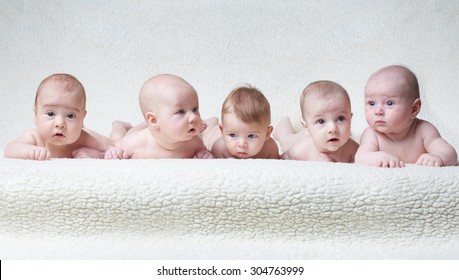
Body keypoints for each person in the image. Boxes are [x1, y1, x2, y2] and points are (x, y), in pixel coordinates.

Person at [355, 65, 457, 167]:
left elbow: (450, 153)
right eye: (372, 103)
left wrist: (438, 157)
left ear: (414, 109)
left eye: (389, 103)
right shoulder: (372, 134)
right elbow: (360, 157)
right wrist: (378, 157)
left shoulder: (423, 130)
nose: (378, 111)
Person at [4, 73, 111, 160]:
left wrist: (97, 155)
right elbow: (10, 149)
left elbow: (115, 149)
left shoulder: (85, 139)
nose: (60, 123)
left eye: (70, 115)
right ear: (35, 116)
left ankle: (118, 127)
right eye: (50, 114)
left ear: (82, 119)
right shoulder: (34, 137)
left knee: (117, 138)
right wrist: (29, 151)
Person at [104, 74, 213, 159]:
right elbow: (112, 145)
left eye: (195, 109)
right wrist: (112, 151)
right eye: (181, 112)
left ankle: (145, 124)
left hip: (152, 127)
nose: (193, 117)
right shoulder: (134, 143)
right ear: (154, 120)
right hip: (134, 133)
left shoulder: (195, 143)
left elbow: (204, 151)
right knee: (119, 135)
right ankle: (118, 125)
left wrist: (204, 154)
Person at [273, 80, 359, 162]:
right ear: (306, 127)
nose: (333, 129)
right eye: (321, 121)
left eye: (340, 118)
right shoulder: (302, 150)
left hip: (315, 133)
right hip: (302, 138)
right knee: (286, 140)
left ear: (350, 119)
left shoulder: (353, 149)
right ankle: (283, 123)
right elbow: (283, 159)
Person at [202, 85, 279, 159]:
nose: (242, 144)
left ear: (267, 134)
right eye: (232, 135)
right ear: (222, 131)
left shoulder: (270, 149)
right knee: (206, 134)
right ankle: (212, 121)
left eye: (251, 136)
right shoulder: (219, 148)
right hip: (213, 134)